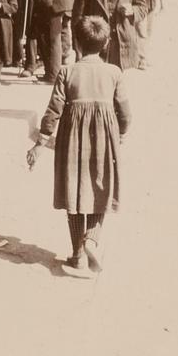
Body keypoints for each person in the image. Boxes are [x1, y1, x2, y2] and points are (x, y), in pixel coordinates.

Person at [27, 16, 131, 273]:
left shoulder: (67, 72)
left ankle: (77, 253)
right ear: (106, 43)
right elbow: (125, 113)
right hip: (104, 139)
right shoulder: (114, 73)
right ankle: (92, 240)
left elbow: (53, 111)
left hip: (72, 139)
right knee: (99, 186)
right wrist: (121, 134)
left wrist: (40, 143)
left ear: (77, 44)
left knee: (74, 190)